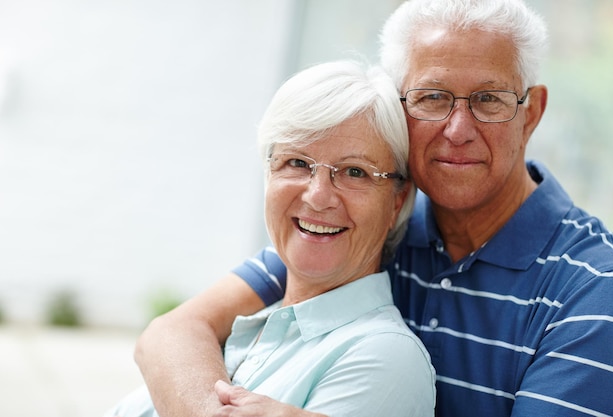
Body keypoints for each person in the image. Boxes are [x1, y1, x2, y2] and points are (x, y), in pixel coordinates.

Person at [134, 1, 613, 416]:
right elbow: (172, 332)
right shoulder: (363, 225)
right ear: (397, 108)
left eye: (488, 99)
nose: (458, 129)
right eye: (432, 98)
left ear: (531, 113)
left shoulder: (599, 289)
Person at [105, 60, 436, 417]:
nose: (317, 196)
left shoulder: (384, 359)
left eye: (355, 172)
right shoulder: (253, 323)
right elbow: (164, 335)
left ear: (397, 202)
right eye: (296, 162)